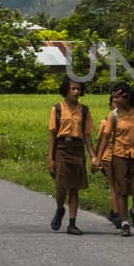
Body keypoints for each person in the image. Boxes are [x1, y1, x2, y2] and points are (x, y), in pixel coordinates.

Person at [92, 83, 134, 236]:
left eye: (118, 97)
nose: (115, 100)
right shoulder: (114, 115)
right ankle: (124, 223)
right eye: (114, 97)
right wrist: (98, 158)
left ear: (127, 96)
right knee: (121, 190)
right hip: (119, 156)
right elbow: (105, 137)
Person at [49, 78, 92, 235]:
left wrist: (93, 156)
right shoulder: (57, 109)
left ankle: (72, 223)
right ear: (66, 90)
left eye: (78, 89)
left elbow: (87, 135)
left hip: (77, 148)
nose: (76, 91)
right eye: (73, 88)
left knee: (74, 187)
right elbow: (53, 135)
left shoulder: (84, 110)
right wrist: (50, 158)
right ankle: (60, 209)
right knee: (61, 187)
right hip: (61, 148)